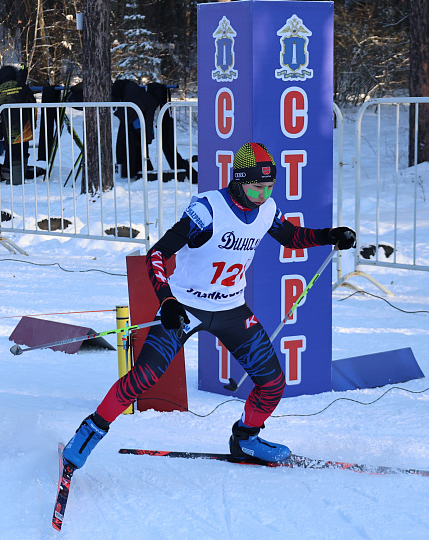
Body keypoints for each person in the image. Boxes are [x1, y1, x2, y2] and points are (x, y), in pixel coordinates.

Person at [62, 142, 357, 469]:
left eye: (270, 187)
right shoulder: (208, 209)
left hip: (232, 310)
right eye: (257, 187)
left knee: (272, 383)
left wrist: (329, 235)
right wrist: (168, 301)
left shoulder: (268, 209)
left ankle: (246, 439)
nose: (263, 195)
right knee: (144, 377)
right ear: (239, 180)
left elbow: (291, 237)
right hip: (185, 309)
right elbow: (158, 254)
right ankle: (91, 430)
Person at [0, 65, 37, 183]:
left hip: (8, 127)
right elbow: (33, 103)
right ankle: (21, 174)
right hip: (25, 125)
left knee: (12, 151)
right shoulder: (22, 87)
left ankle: (16, 179)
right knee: (24, 149)